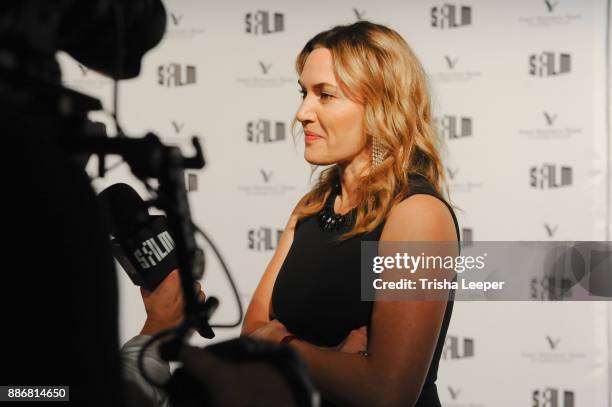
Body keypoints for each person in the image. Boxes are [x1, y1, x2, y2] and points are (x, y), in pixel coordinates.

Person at [241, 21, 460, 406]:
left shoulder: (417, 215)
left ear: (381, 105)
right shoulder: (311, 207)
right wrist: (329, 361)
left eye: (325, 95)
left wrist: (280, 342)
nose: (302, 113)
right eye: (304, 93)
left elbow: (387, 392)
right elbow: (250, 335)